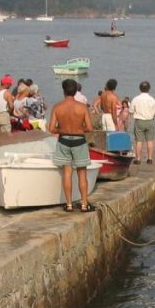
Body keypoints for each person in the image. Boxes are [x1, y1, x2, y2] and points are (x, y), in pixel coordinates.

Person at [49, 77, 94, 213]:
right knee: (82, 174)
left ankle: (68, 204)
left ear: (64, 91)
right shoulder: (82, 107)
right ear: (75, 92)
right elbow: (90, 127)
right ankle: (84, 204)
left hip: (64, 140)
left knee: (67, 173)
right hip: (79, 140)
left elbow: (51, 128)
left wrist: (62, 130)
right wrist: (79, 130)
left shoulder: (58, 107)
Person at [130, 81, 155, 165]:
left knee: (139, 141)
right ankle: (150, 158)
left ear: (140, 88)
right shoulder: (152, 99)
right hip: (150, 121)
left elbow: (131, 110)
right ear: (149, 89)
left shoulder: (136, 99)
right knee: (150, 140)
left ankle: (138, 159)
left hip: (139, 121)